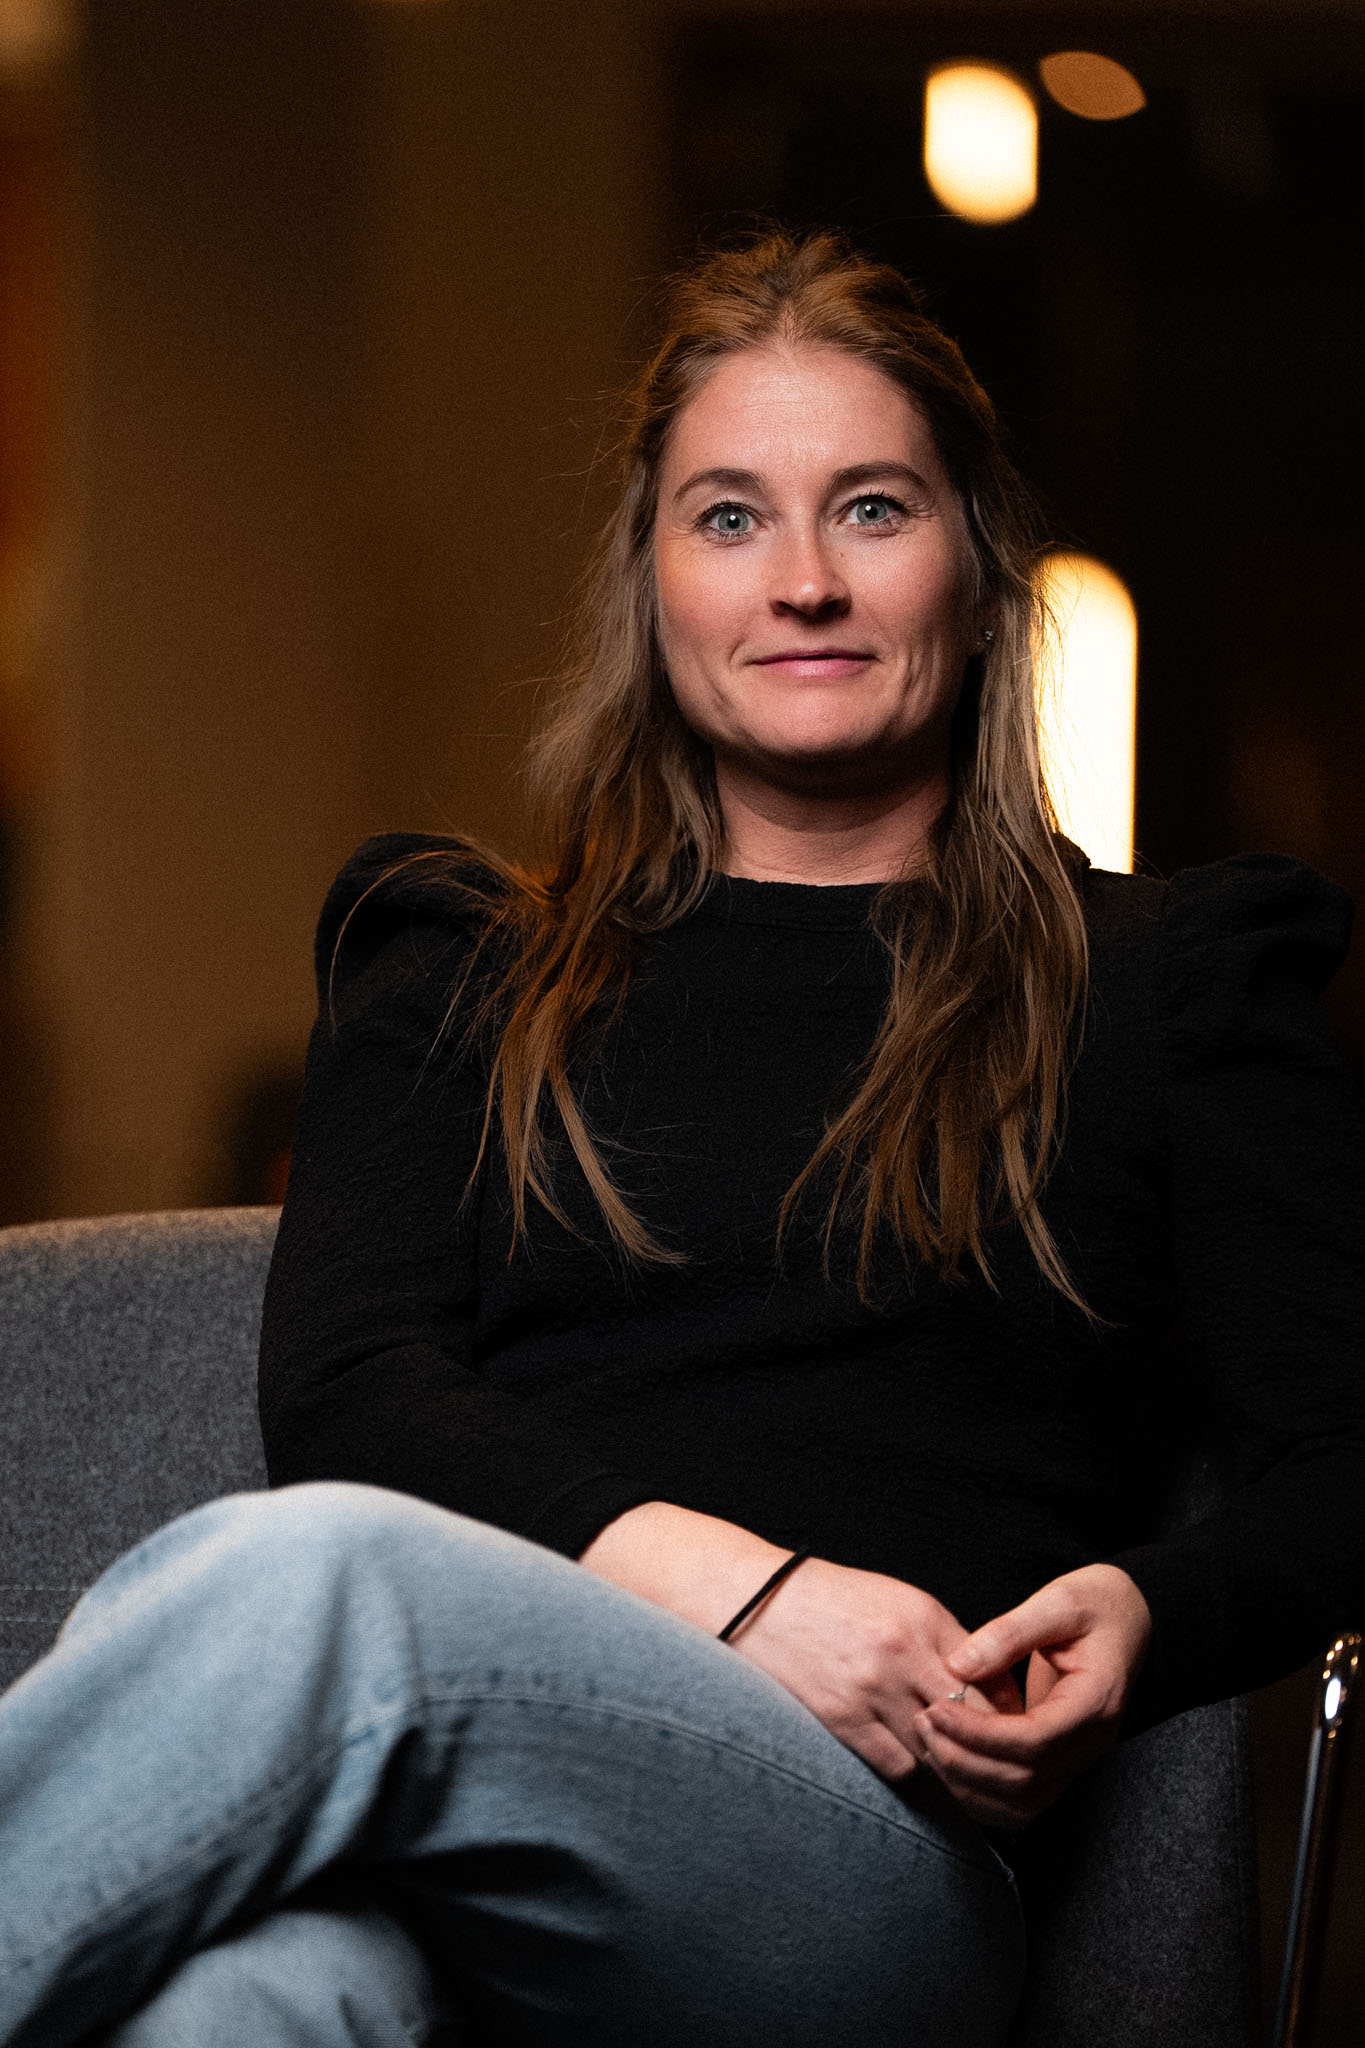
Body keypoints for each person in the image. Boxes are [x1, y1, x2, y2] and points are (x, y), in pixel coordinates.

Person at [1, 230, 1362, 2048]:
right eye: (728, 518)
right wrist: (756, 1600)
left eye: (870, 510)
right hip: (450, 1839)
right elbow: (350, 1385)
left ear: (975, 574)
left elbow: (1347, 1457)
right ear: (650, 588)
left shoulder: (1167, 986)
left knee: (311, 1576)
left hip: (863, 1869)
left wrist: (1142, 1611)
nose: (801, 579)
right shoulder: (458, 965)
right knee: (248, 1999)